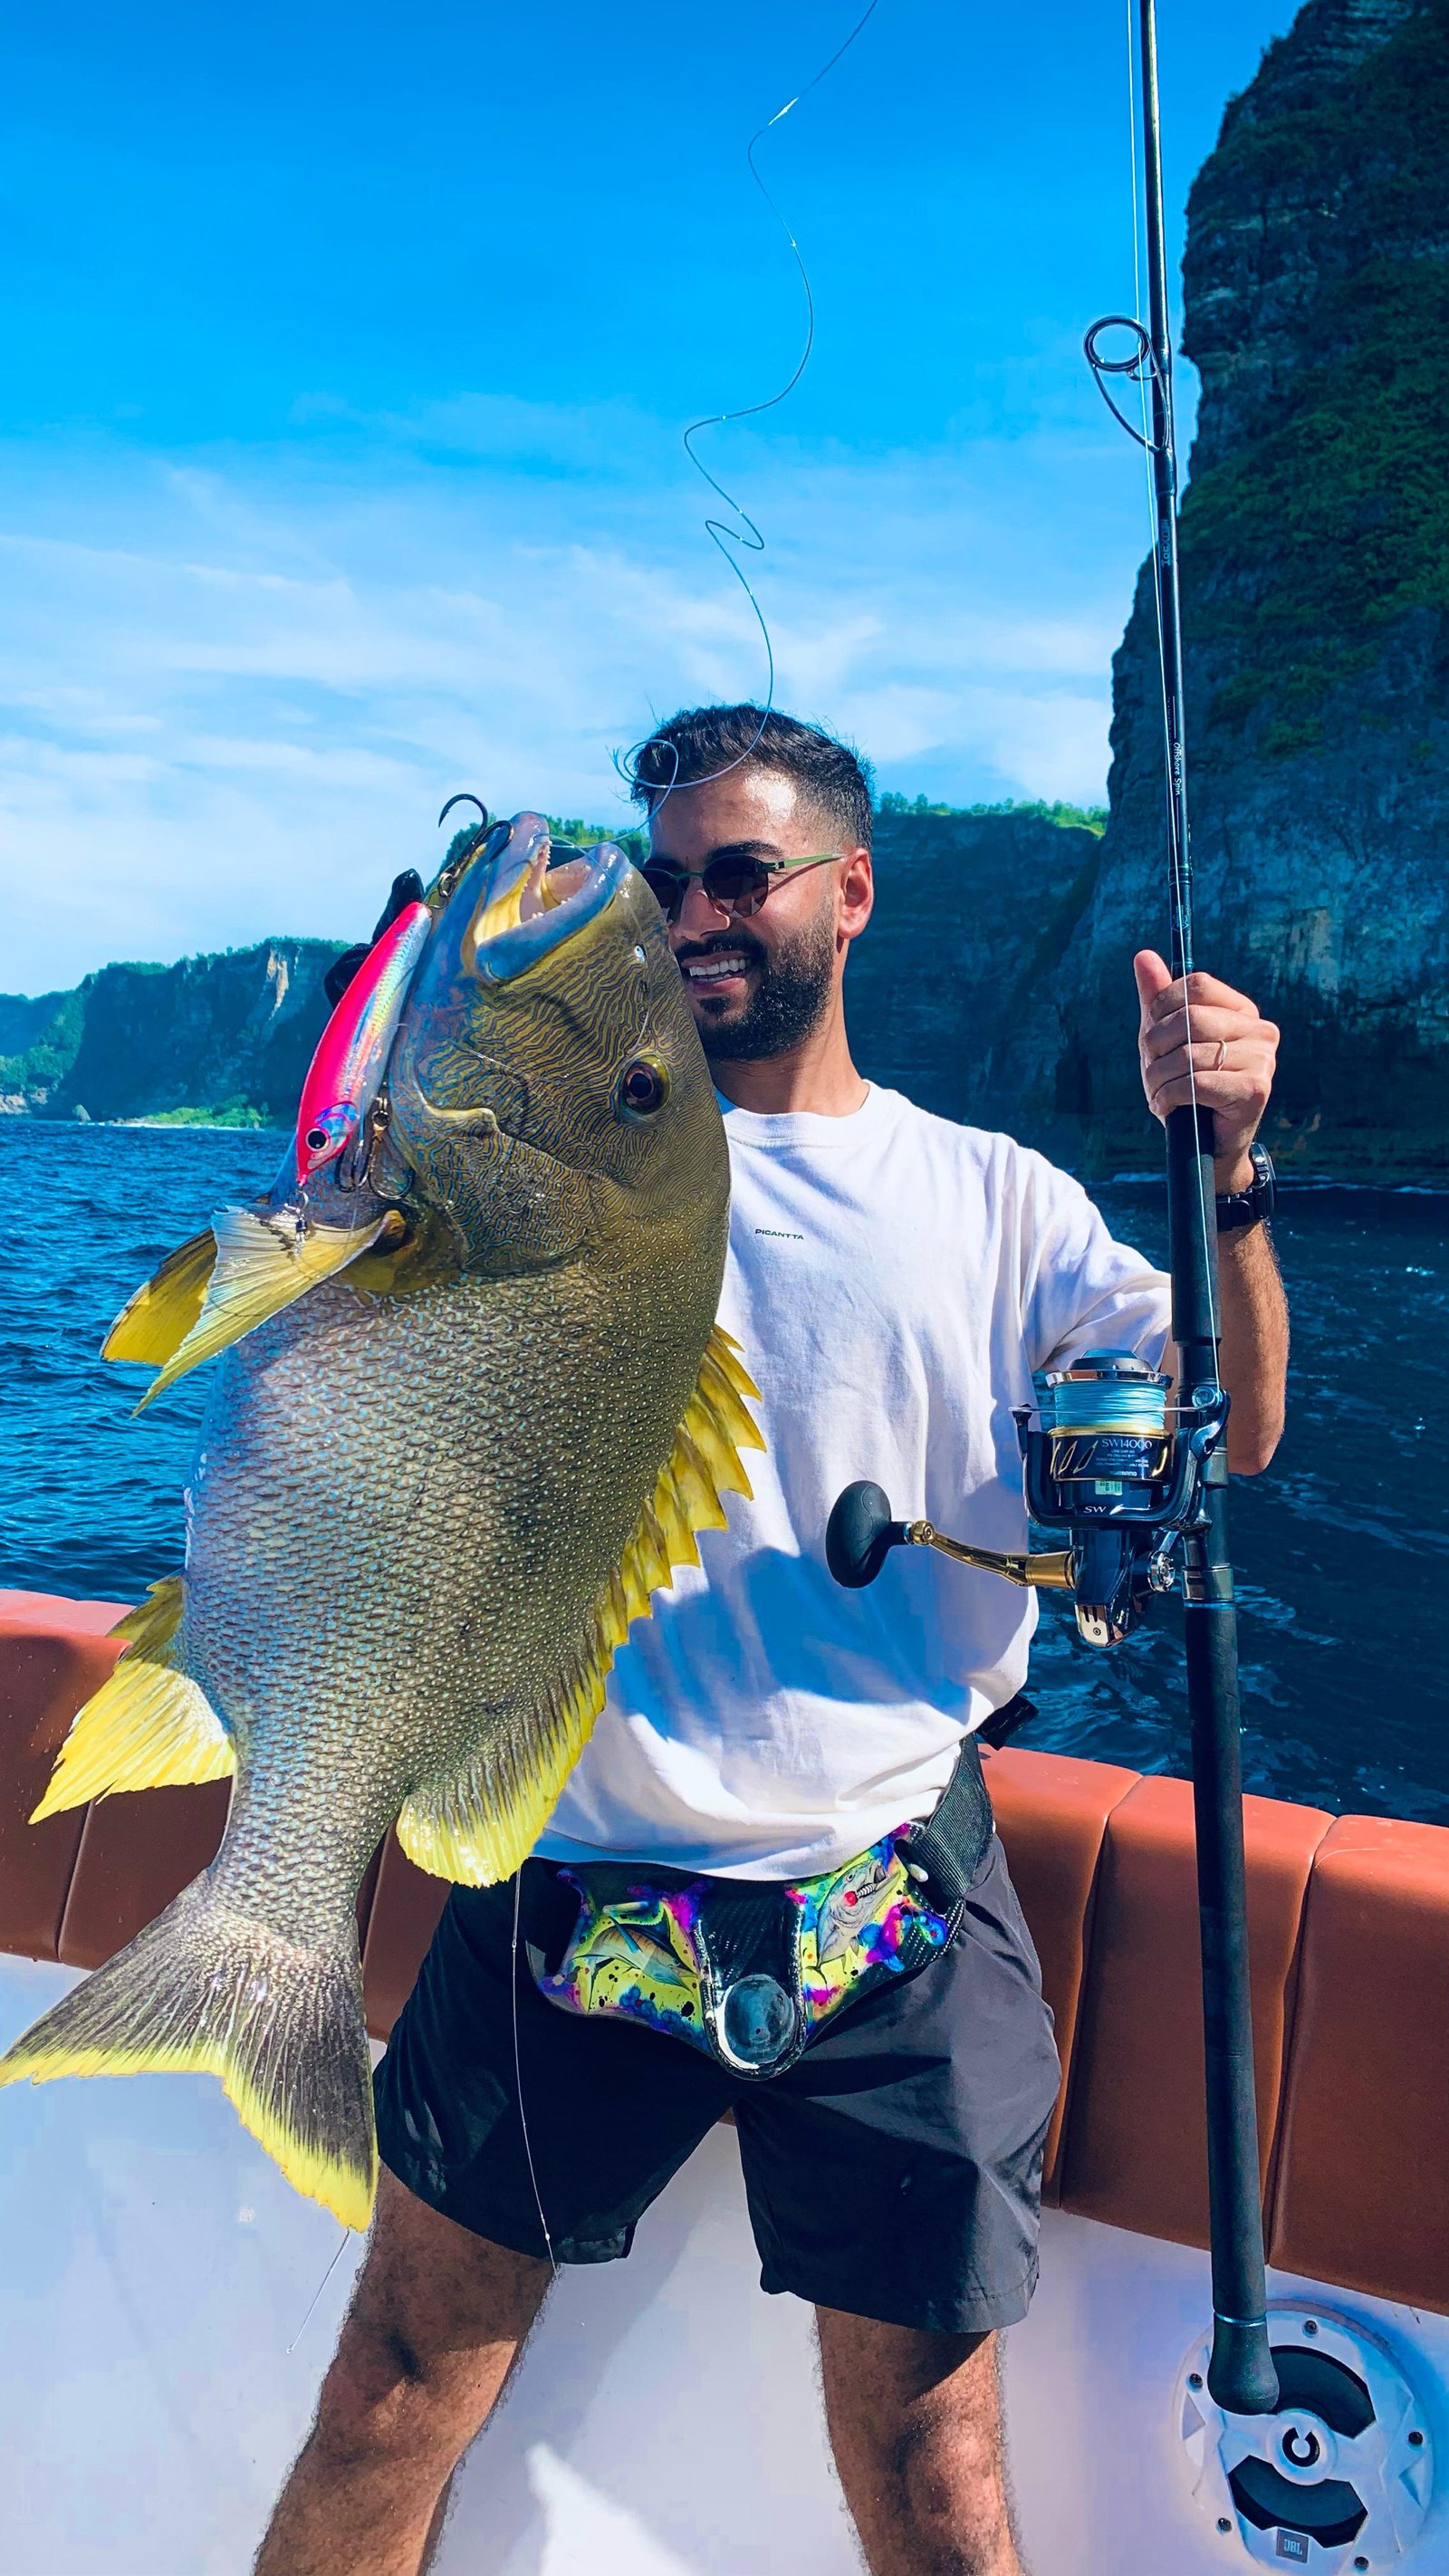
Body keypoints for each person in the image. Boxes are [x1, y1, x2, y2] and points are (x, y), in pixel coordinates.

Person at [256, 705, 1288, 2576]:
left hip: (884, 1902)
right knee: (391, 2391)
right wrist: (367, 1183)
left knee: (937, 2474)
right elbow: (355, 1339)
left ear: (851, 891)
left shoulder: (994, 1200)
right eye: (665, 885)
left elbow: (1242, 1422)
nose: (695, 914)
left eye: (740, 872)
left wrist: (1223, 1168)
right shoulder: (548, 1167)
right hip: (562, 1876)